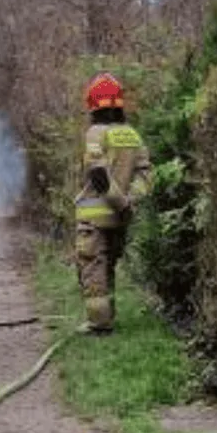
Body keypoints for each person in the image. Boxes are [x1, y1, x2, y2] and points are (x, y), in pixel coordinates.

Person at [73, 72, 152, 336]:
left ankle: (99, 324)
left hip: (94, 219)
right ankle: (108, 317)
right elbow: (145, 175)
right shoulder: (132, 134)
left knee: (93, 269)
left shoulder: (95, 133)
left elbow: (97, 173)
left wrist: (118, 202)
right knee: (108, 268)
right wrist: (130, 201)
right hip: (120, 218)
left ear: (93, 105)